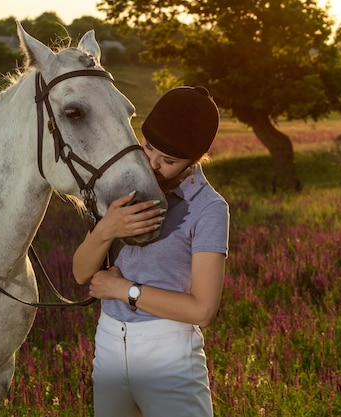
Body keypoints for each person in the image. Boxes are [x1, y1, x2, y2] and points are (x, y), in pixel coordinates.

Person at [72, 86, 230, 417]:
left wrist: (120, 289)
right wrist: (107, 229)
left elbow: (202, 310)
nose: (153, 164)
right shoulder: (123, 188)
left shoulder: (209, 208)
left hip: (168, 354)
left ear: (195, 160)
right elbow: (81, 273)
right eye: (148, 149)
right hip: (110, 345)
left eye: (169, 160)